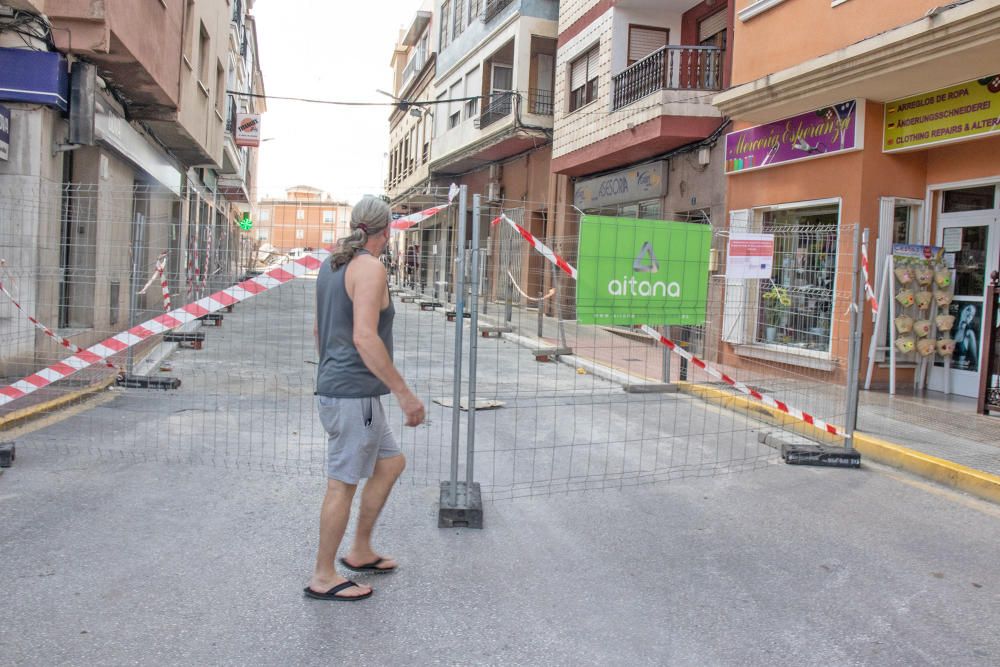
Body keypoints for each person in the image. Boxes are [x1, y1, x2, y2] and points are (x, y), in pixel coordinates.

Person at [305, 196, 425, 602]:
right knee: (342, 485)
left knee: (391, 463)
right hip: (353, 395)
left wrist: (333, 373)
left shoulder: (332, 266)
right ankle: (323, 575)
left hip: (348, 392)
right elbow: (363, 336)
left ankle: (360, 550)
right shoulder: (370, 269)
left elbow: (321, 332)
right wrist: (405, 394)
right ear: (387, 231)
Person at [954, 303, 979, 371]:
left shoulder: (969, 333)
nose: (968, 315)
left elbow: (975, 361)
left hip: (960, 370)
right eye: (968, 310)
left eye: (972, 315)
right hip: (942, 368)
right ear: (962, 310)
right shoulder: (950, 326)